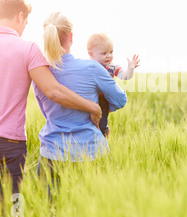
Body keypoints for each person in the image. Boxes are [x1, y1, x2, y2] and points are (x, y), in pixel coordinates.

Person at [0, 0, 101, 195]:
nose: (25, 26)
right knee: (12, 209)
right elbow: (53, 91)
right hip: (9, 145)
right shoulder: (27, 48)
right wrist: (92, 107)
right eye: (26, 22)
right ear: (20, 16)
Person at [33, 12, 127, 180]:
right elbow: (121, 100)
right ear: (71, 37)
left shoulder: (41, 74)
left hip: (51, 153)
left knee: (50, 206)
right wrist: (101, 110)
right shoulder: (92, 68)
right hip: (91, 151)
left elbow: (46, 112)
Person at [87, 33, 140, 136]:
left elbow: (126, 76)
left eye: (111, 52)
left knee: (101, 125)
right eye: (104, 53)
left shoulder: (111, 67)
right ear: (91, 54)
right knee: (87, 124)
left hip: (103, 100)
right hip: (88, 98)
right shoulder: (87, 66)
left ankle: (104, 133)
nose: (109, 56)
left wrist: (130, 69)